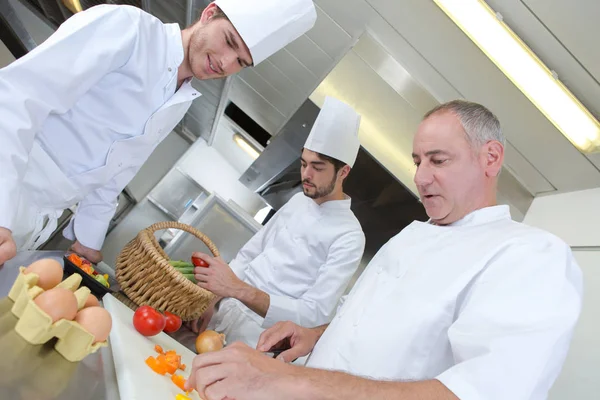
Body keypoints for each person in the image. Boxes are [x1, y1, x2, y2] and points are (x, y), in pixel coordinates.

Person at [184, 100, 583, 400]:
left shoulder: (530, 255)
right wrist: (318, 335)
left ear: (490, 158)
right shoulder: (413, 235)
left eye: (438, 160)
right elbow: (372, 326)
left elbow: (480, 392)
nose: (421, 177)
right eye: (417, 161)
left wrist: (287, 379)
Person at [0, 0, 317, 265]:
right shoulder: (129, 29)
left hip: (35, 223)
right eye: (229, 41)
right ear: (209, 13)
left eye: (240, 62)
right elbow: (18, 97)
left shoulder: (181, 101)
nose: (225, 62)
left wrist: (89, 240)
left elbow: (115, 173)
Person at [189, 96, 366, 351]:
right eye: (304, 163)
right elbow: (250, 254)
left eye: (318, 167)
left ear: (343, 172)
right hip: (224, 312)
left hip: (258, 338)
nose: (306, 174)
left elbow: (312, 313)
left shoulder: (350, 236)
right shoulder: (297, 201)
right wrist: (215, 296)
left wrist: (237, 289)